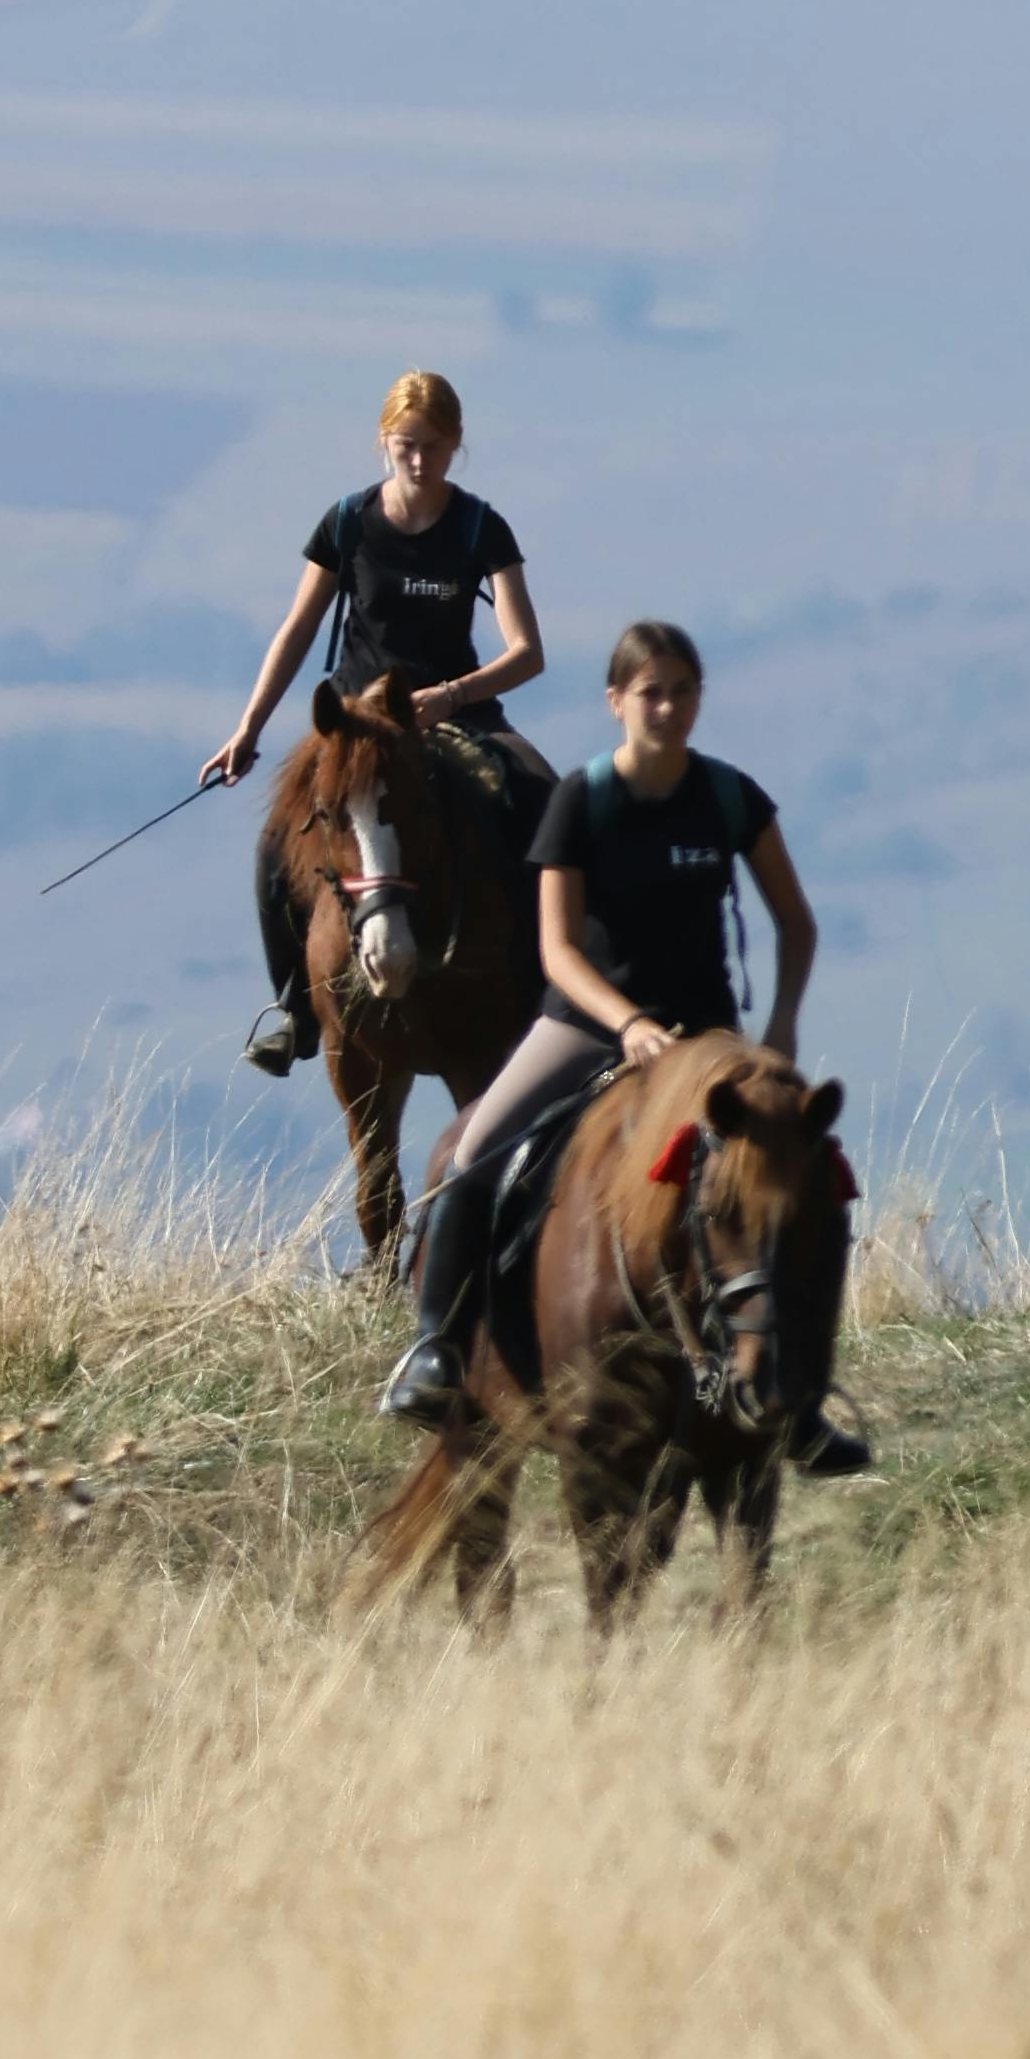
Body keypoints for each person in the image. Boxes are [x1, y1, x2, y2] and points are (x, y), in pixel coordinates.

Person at [381, 616, 854, 1456]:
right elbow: (555, 950)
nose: (665, 708)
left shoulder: (730, 797)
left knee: (815, 1180)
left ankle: (803, 1398)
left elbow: (796, 922)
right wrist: (627, 1023)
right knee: (475, 1150)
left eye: (680, 691)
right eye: (649, 693)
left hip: (709, 1041)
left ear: (699, 699)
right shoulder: (582, 800)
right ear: (615, 702)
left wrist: (778, 1029)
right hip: (588, 1027)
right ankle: (435, 1349)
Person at [202, 368, 550, 1074]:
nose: (419, 462)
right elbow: (298, 630)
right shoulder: (347, 523)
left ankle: (553, 990)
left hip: (455, 716)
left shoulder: (481, 526)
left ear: (457, 445)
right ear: (383, 443)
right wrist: (249, 729)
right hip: (355, 725)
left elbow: (527, 653)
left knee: (541, 797)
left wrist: (452, 696)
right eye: (405, 446)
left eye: (433, 447)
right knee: (277, 845)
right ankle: (295, 1011)